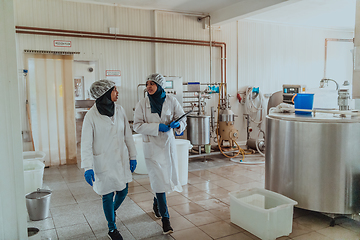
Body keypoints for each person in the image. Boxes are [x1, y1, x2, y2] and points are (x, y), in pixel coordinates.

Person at [81, 79, 137, 240]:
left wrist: (133, 156)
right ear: (105, 93)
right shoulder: (91, 116)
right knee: (106, 194)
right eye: (114, 90)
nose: (117, 92)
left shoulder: (120, 110)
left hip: (120, 160)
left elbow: (128, 135)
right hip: (102, 162)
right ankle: (112, 228)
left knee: (123, 190)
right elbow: (86, 144)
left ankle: (110, 213)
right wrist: (87, 167)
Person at [133, 73, 186, 234]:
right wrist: (157, 127)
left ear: (160, 86)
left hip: (167, 147)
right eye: (147, 84)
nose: (149, 86)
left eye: (152, 84)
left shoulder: (171, 101)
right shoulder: (142, 103)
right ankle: (165, 219)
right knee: (158, 181)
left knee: (164, 180)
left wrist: (178, 125)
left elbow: (182, 119)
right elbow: (137, 125)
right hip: (152, 148)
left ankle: (156, 203)